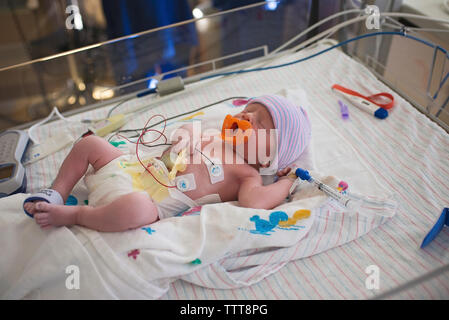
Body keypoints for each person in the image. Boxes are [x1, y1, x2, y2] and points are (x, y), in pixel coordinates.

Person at [23, 95, 311, 232]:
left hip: (146, 201)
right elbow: (185, 130)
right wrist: (184, 137)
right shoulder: (213, 135)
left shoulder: (248, 175)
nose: (247, 117)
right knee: (90, 144)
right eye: (249, 111)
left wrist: (288, 180)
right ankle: (56, 191)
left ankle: (73, 216)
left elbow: (255, 202)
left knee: (138, 208)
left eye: (259, 123)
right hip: (127, 169)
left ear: (271, 156)